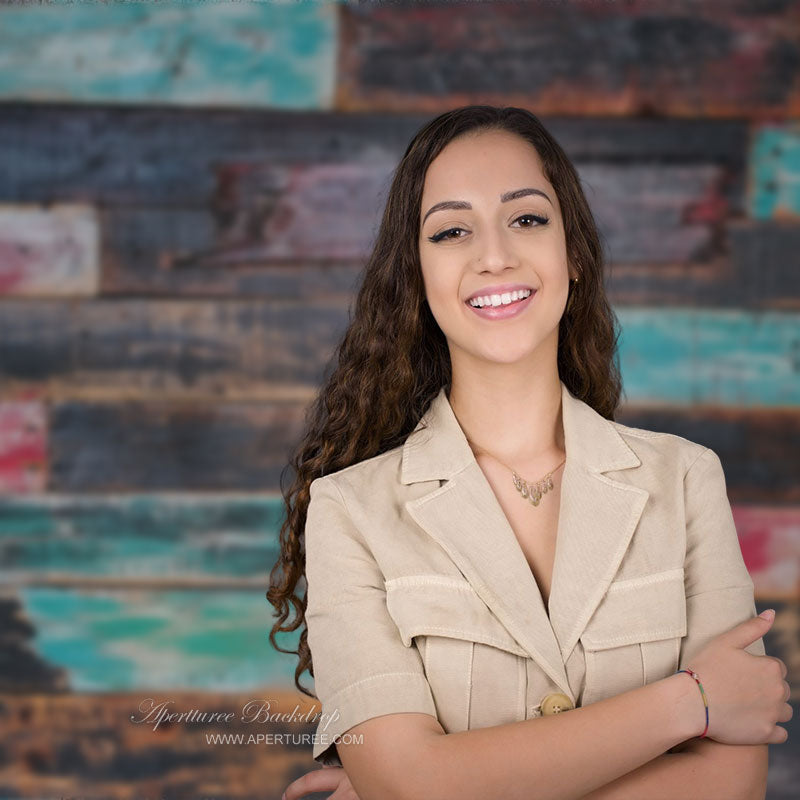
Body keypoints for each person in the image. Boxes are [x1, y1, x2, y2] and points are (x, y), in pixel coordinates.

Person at [268, 106, 791, 800]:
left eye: (527, 218)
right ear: (416, 276)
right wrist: (690, 702)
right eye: (452, 231)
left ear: (571, 251)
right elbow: (408, 784)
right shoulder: (349, 512)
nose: (495, 255)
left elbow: (733, 783)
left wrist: (443, 784)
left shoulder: (686, 480)